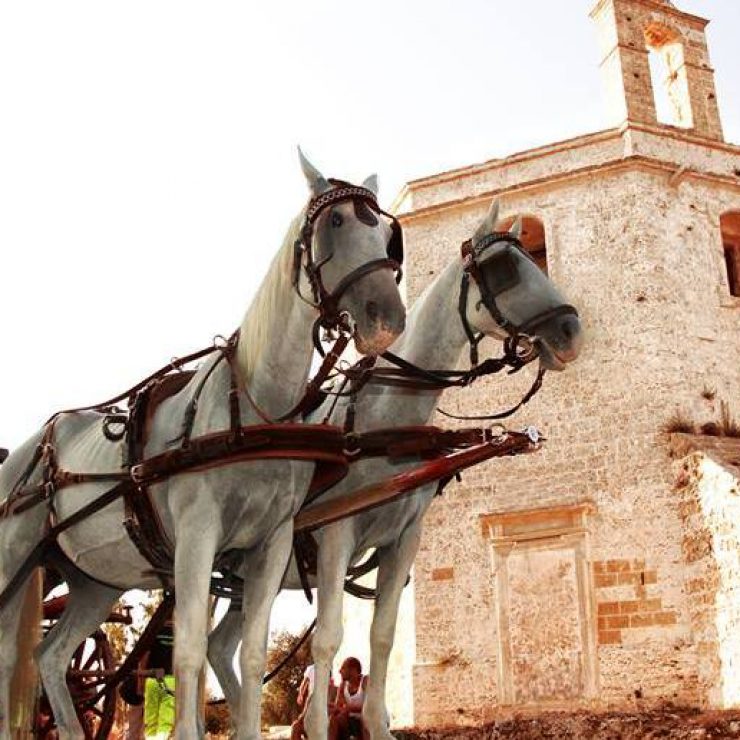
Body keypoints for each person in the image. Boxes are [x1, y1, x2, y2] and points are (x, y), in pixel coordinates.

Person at [142, 619, 175, 740]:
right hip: (170, 680)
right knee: (166, 719)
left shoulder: (155, 632)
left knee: (151, 718)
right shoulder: (180, 634)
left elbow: (145, 656)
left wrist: (141, 679)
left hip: (152, 679)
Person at [329, 657, 368, 740]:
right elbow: (338, 707)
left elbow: (372, 707)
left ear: (353, 670)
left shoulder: (365, 681)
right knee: (333, 718)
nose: (339, 671)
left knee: (366, 722)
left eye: (343, 668)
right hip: (350, 720)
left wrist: (348, 709)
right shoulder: (343, 686)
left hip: (366, 719)